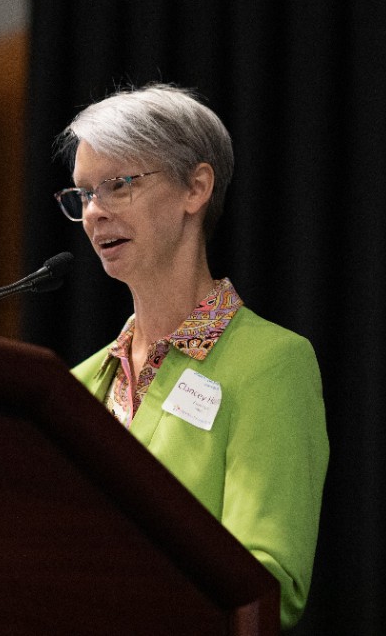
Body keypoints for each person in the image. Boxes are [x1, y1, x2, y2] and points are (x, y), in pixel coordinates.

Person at [53, 82, 329, 630]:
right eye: (83, 195)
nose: (95, 213)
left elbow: (268, 581)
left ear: (195, 188)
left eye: (118, 185)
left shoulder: (270, 362)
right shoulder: (75, 388)